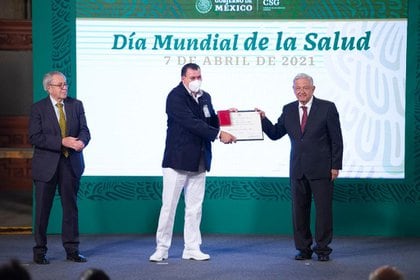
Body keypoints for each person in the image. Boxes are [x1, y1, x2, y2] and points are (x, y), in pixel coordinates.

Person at [149, 63, 236, 262]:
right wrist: (219, 134)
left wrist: (227, 116)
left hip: (199, 159)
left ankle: (191, 248)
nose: (196, 80)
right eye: (192, 77)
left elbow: (209, 120)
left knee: (194, 208)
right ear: (183, 78)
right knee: (169, 207)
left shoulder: (205, 96)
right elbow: (190, 122)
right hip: (177, 161)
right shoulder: (175, 97)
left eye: (198, 76)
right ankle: (161, 248)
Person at [257, 73, 343, 262]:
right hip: (297, 169)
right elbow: (275, 133)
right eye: (298, 88)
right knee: (299, 211)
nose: (301, 91)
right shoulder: (288, 110)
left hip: (322, 169)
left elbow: (337, 139)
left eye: (305, 87)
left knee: (323, 212)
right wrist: (262, 120)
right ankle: (303, 249)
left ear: (313, 89)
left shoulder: (327, 108)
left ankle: (322, 249)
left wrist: (335, 166)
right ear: (293, 90)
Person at [29, 71, 91, 264]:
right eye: (60, 85)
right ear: (49, 87)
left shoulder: (76, 105)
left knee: (70, 209)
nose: (65, 87)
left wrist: (81, 142)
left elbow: (85, 130)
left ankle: (72, 250)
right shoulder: (38, 108)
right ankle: (40, 251)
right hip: (46, 166)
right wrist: (62, 142)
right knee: (42, 210)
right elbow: (35, 137)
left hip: (70, 164)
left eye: (65, 84)